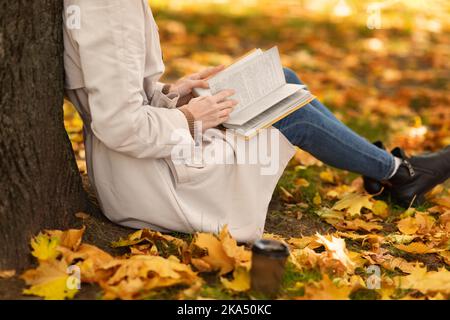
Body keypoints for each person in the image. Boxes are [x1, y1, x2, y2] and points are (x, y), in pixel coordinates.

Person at [63, 0, 450, 242]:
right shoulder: (109, 8)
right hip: (149, 181)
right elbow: (119, 126)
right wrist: (189, 117)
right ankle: (400, 175)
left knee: (282, 80)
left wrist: (175, 92)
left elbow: (125, 96)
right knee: (290, 113)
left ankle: (392, 173)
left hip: (151, 155)